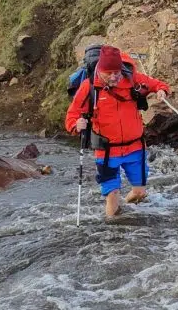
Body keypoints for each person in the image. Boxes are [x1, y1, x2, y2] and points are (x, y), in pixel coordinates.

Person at [65, 44, 171, 219]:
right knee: (113, 197)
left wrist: (161, 90)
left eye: (117, 72)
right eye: (109, 73)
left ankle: (126, 214)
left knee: (139, 193)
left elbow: (157, 84)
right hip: (107, 152)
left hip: (135, 148)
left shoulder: (132, 78)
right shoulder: (89, 87)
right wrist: (76, 125)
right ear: (100, 70)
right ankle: (112, 233)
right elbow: (72, 114)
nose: (114, 77)